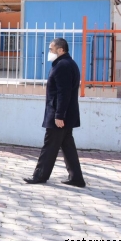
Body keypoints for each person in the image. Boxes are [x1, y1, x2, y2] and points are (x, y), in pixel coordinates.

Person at [23, 38, 86, 188]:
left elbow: (63, 93)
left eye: (51, 49)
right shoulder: (68, 63)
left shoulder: (62, 66)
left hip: (59, 115)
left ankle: (39, 176)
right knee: (67, 146)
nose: (49, 52)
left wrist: (59, 115)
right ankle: (76, 178)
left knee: (50, 145)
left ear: (60, 50)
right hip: (66, 114)